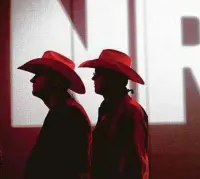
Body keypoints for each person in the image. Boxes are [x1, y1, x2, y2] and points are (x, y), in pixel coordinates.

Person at [18, 51, 92, 179]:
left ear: (56, 81)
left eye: (39, 74)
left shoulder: (68, 114)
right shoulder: (63, 111)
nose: (32, 79)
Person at [79, 49, 149, 179]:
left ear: (112, 76)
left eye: (97, 72)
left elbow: (136, 165)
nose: (93, 77)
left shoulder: (131, 111)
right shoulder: (107, 108)